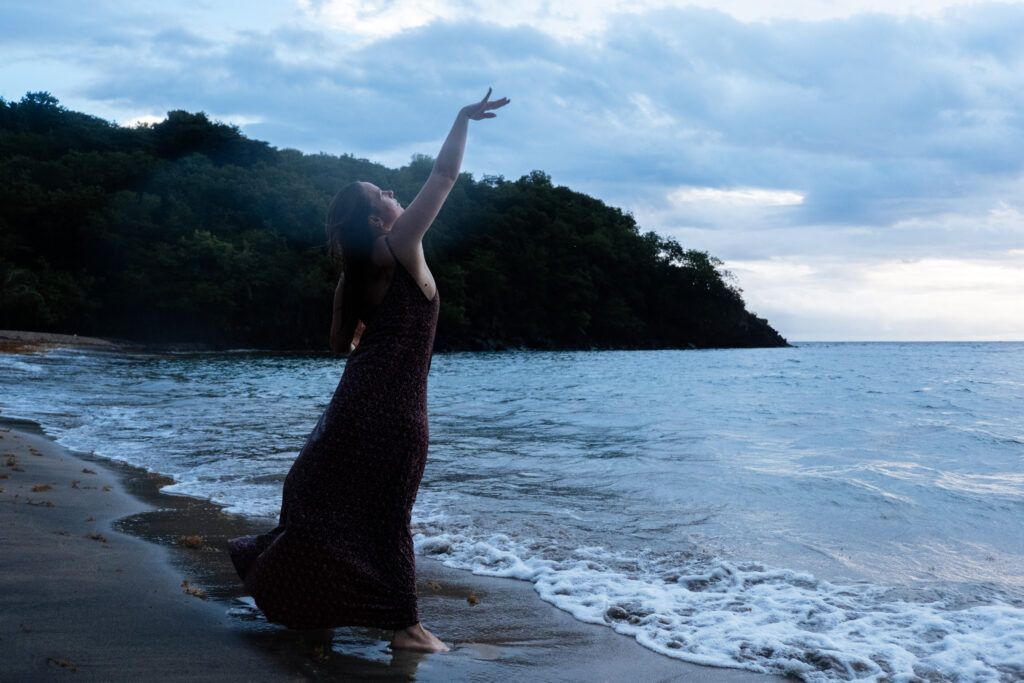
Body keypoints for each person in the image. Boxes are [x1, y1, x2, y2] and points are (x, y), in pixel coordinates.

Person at [227, 89, 509, 653]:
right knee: (387, 513)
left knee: (318, 501)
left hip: (351, 408)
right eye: (381, 191)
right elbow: (446, 175)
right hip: (396, 411)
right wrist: (461, 119)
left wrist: (367, 331)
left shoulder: (352, 276)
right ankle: (406, 629)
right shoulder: (400, 245)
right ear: (378, 217)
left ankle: (314, 603)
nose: (392, 191)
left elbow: (338, 344)